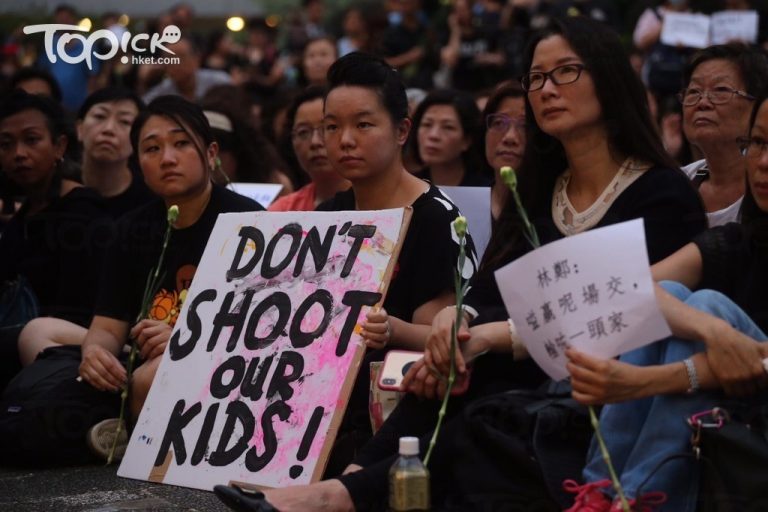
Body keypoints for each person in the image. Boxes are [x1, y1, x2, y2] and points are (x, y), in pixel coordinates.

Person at [214, 17, 706, 512]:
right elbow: (488, 293)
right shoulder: (537, 192)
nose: (547, 90)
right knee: (447, 366)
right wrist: (458, 323)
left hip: (596, 384)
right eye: (536, 78)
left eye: (566, 73)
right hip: (510, 365)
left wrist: (480, 336)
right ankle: (346, 483)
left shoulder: (660, 194)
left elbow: (637, 308)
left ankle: (335, 497)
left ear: (609, 78)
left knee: (478, 399)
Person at [16, 96, 263, 460]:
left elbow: (265, 328)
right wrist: (96, 353)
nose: (167, 158)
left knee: (152, 374)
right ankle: (113, 422)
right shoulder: (131, 228)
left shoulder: (249, 221)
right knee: (36, 332)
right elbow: (108, 326)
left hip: (221, 359)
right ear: (140, 164)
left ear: (211, 154)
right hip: (142, 357)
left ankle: (122, 432)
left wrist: (187, 339)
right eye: (152, 148)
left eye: (181, 144)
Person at [564, 91, 768, 512]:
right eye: (760, 144)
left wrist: (650, 381)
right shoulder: (740, 241)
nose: (763, 163)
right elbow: (634, 288)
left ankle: (636, 499)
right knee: (678, 298)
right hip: (734, 402)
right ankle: (601, 494)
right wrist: (711, 332)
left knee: (707, 302)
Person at [315, 52, 478, 475]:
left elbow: (445, 340)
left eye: (363, 125)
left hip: (397, 417)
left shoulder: (436, 220)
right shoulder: (329, 215)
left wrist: (391, 330)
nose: (344, 139)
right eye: (332, 127)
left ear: (402, 130)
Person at [0, 91, 110, 390]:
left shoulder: (84, 214)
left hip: (68, 357)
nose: (19, 153)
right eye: (6, 145)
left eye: (31, 140)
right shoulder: (21, 217)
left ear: (59, 145)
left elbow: (87, 312)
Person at [680, 43, 768, 227]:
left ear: (758, 105)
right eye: (694, 91)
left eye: (720, 90)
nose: (702, 102)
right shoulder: (674, 184)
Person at [75, 87, 154, 218]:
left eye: (125, 121)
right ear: (79, 128)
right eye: (100, 116)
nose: (109, 129)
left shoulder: (151, 201)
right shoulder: (56, 190)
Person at [269, 86, 349, 211]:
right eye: (303, 132)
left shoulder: (378, 205)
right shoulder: (283, 212)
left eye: (327, 128)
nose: (315, 142)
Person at [410, 89, 491, 186]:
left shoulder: (487, 191)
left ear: (467, 140)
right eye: (427, 124)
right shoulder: (406, 188)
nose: (433, 135)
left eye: (448, 127)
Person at [481, 80, 526, 221]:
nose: (510, 137)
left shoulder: (554, 211)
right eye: (499, 123)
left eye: (524, 126)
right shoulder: (467, 205)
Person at [142, 37, 232, 104]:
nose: (175, 64)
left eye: (180, 57)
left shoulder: (219, 82)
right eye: (169, 59)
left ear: (196, 59)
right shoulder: (161, 94)